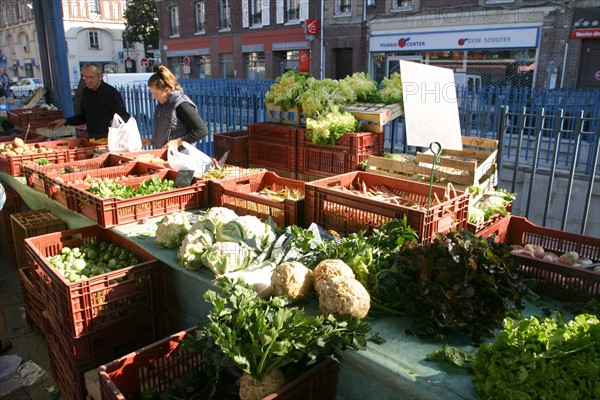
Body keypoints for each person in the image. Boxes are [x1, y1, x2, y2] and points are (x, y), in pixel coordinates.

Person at [47, 62, 130, 139]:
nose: (88, 80)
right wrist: (65, 121)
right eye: (85, 77)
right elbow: (84, 117)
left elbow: (125, 116)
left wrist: (114, 121)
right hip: (91, 137)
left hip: (110, 138)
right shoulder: (85, 93)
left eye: (91, 77)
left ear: (101, 77)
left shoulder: (111, 93)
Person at [147, 65, 208, 149]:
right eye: (152, 93)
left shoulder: (182, 104)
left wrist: (178, 142)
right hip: (166, 156)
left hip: (181, 157)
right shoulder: (161, 105)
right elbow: (169, 133)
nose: (154, 97)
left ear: (167, 90)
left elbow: (202, 130)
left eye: (156, 93)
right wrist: (152, 141)